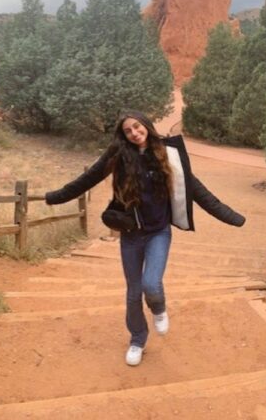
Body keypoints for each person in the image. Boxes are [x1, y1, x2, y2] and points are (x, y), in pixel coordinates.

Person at [45, 110, 246, 366]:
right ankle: (137, 339)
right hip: (130, 235)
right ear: (123, 135)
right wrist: (54, 197)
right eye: (128, 131)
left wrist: (232, 217)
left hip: (158, 233)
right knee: (133, 293)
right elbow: (86, 180)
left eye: (137, 127)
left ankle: (159, 308)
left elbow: (198, 192)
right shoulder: (118, 156)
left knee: (151, 284)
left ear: (147, 126)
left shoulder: (168, 154)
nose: (134, 133)